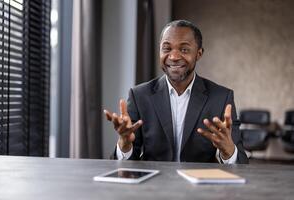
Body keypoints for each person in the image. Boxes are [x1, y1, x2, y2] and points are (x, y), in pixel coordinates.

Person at [104, 20, 248, 164]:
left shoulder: (221, 98)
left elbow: (242, 165)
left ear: (199, 54)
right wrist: (124, 144)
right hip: (154, 184)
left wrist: (228, 151)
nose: (173, 57)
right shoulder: (139, 96)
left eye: (184, 49)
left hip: (202, 184)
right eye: (166, 49)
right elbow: (125, 166)